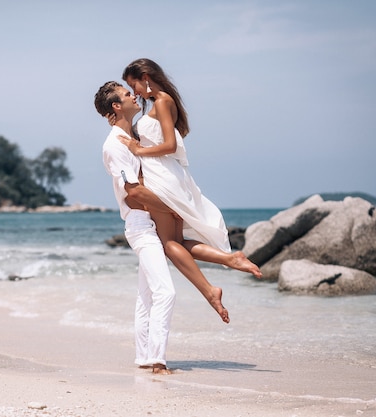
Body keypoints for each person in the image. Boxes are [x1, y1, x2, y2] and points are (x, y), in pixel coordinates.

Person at [117, 58, 262, 286]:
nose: (133, 92)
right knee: (175, 242)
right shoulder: (160, 103)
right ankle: (230, 260)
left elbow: (169, 146)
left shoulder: (163, 102)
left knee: (169, 245)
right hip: (164, 173)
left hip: (163, 176)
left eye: (132, 85)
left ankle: (219, 275)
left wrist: (139, 150)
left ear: (145, 78)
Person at [96, 81, 176, 375]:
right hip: (141, 224)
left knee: (146, 296)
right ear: (117, 106)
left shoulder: (133, 135)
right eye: (127, 94)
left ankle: (144, 356)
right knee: (165, 292)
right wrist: (175, 208)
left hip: (150, 221)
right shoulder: (114, 145)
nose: (134, 96)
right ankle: (158, 361)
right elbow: (133, 192)